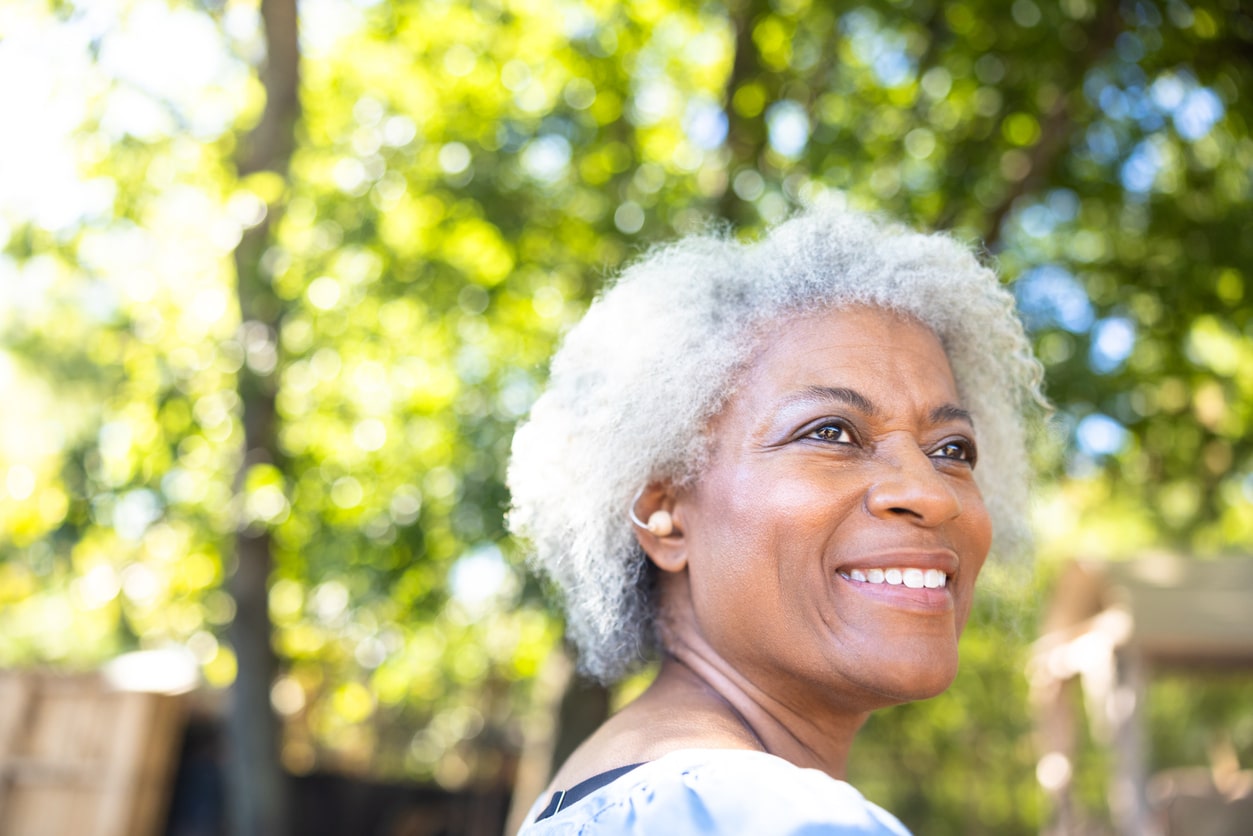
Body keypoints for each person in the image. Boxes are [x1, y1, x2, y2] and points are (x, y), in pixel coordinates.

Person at [506, 201, 1045, 834]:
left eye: (952, 450)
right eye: (832, 432)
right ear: (664, 517)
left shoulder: (596, 802)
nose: (933, 494)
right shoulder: (761, 815)